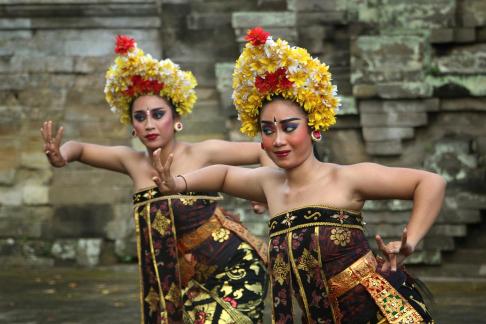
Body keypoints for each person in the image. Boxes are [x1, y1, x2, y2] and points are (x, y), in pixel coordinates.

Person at [152, 27, 446, 323]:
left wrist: (410, 241)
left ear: (313, 127)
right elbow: (224, 175)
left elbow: (430, 182)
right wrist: (177, 183)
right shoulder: (270, 184)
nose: (278, 140)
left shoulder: (347, 179)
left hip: (376, 314)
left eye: (289, 127)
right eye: (268, 130)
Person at [41, 35, 272, 324]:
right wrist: (61, 155)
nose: (149, 124)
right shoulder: (133, 162)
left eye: (157, 114)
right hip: (179, 284)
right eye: (140, 117)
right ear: (133, 128)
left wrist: (262, 193)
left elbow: (267, 150)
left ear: (176, 118)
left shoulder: (203, 152)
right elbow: (80, 148)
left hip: (233, 265)